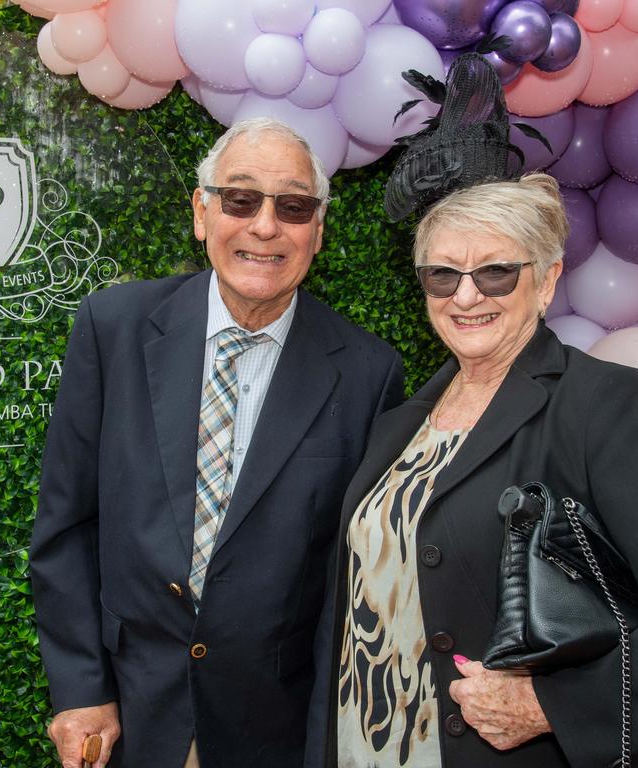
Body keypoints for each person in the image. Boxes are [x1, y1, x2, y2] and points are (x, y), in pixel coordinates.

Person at [313, 54, 638, 767]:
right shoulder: (400, 424)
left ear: (547, 277)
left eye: (496, 270)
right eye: (443, 274)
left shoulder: (596, 404)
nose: (467, 296)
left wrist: (549, 705)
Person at [30, 117, 404, 768]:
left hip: (275, 730)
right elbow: (67, 525)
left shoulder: (370, 373)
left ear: (317, 231)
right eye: (240, 199)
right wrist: (83, 689)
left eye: (292, 206)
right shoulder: (112, 328)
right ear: (201, 213)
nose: (265, 226)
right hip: (133, 713)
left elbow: (357, 588)